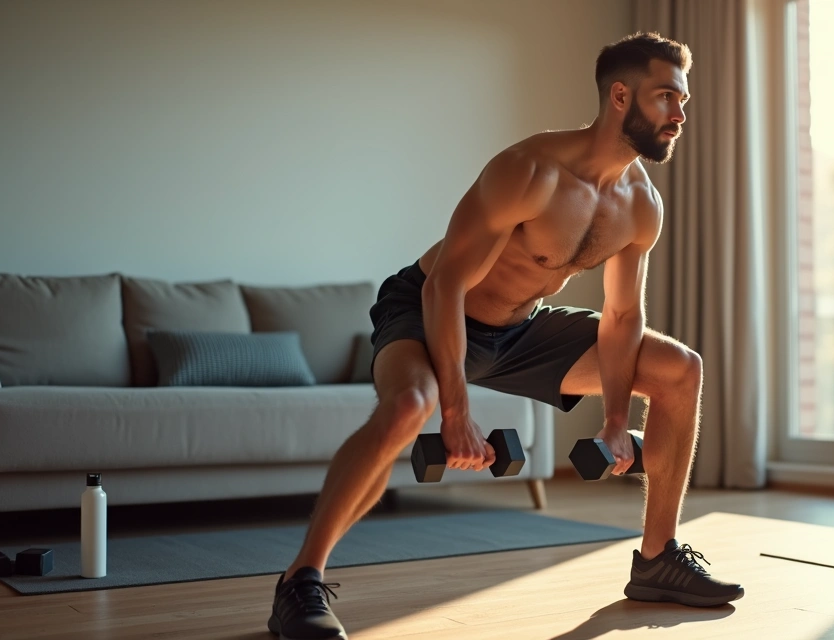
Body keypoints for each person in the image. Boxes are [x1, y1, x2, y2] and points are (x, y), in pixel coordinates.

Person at [266, 31, 744, 640]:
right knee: (410, 405)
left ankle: (657, 560)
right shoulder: (531, 171)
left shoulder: (641, 204)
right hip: (430, 303)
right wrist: (456, 411)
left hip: (522, 331)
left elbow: (622, 319)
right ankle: (300, 581)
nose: (680, 113)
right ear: (620, 97)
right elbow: (446, 286)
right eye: (666, 97)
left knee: (681, 369)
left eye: (684, 99)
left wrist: (617, 420)